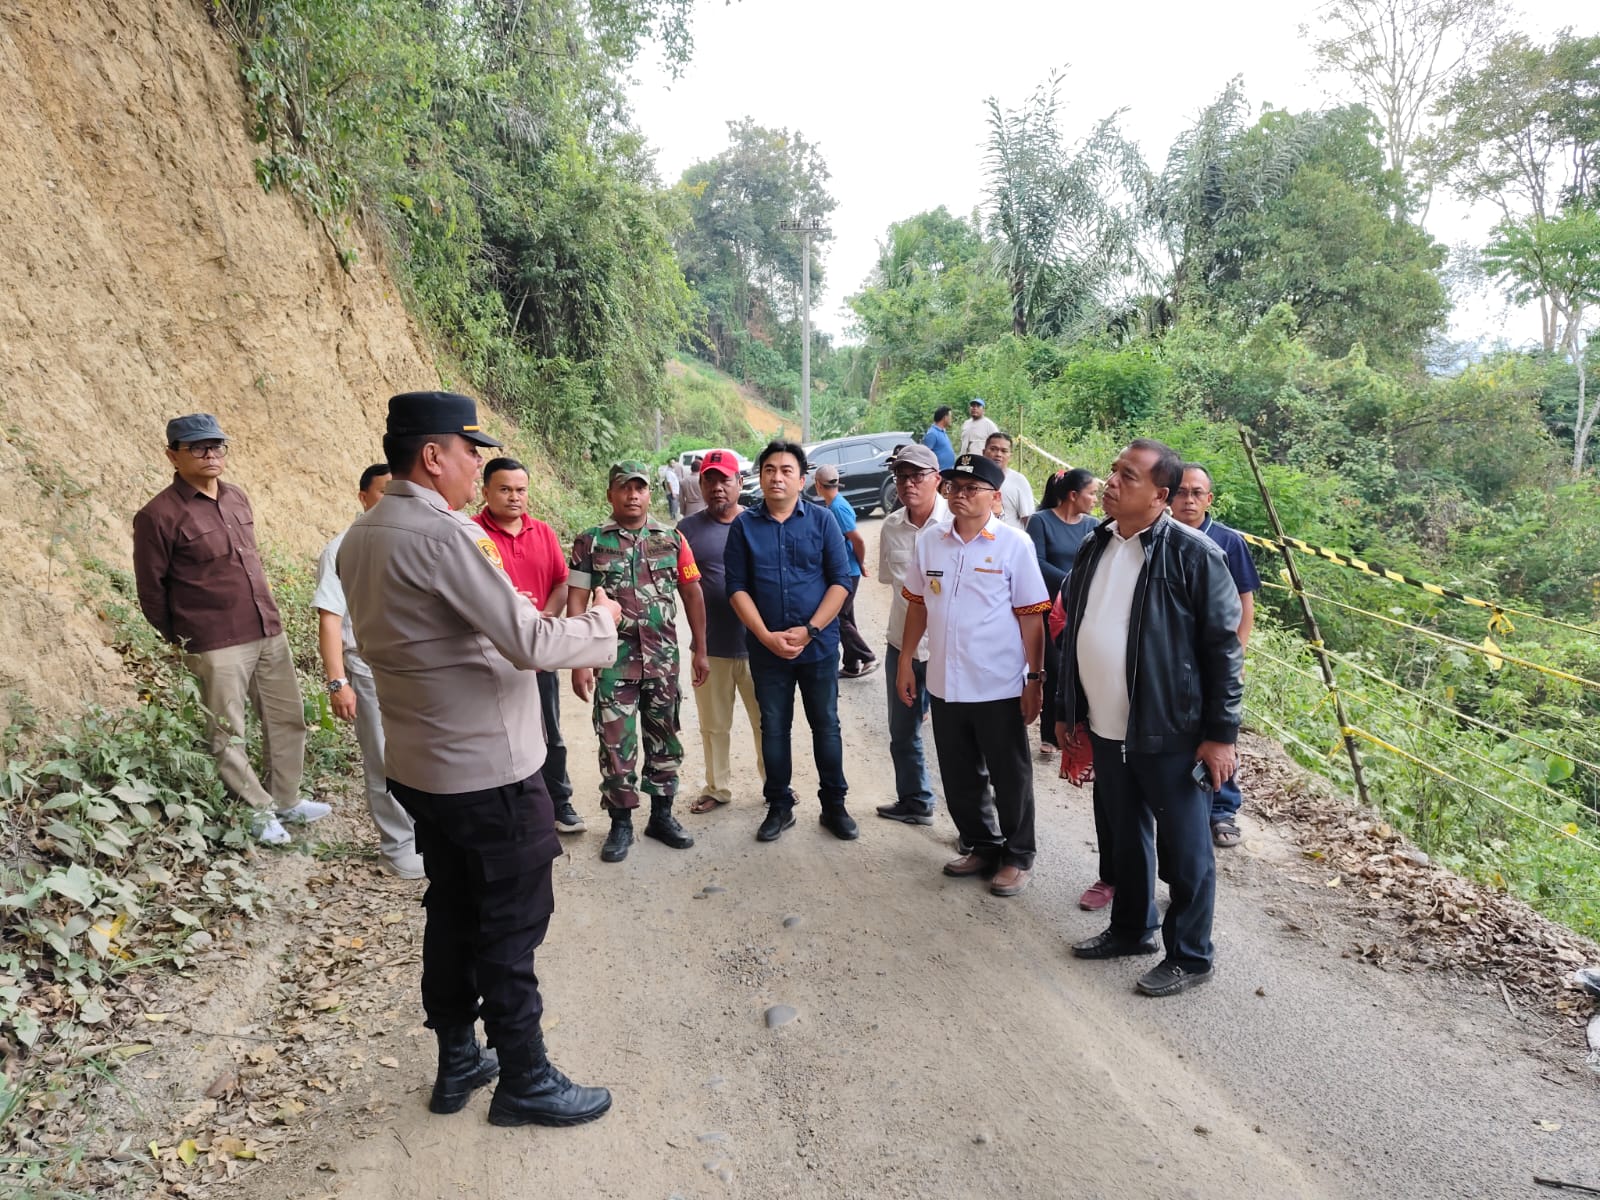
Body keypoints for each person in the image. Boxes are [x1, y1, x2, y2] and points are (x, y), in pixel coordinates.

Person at [339, 390, 621, 1127]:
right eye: (471, 452)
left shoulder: (361, 535)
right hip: (487, 771)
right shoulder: (445, 538)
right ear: (433, 456)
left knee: (455, 909)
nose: (476, 466)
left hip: (422, 768)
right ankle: (525, 1078)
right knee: (511, 920)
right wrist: (602, 623)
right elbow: (528, 640)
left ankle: (459, 1058)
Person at [1054, 438, 1243, 998]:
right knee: (1124, 838)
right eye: (1113, 471)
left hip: (1172, 732)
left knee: (1186, 853)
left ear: (1160, 495)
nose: (1111, 482)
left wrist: (1220, 735)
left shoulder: (1192, 554)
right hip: (1109, 728)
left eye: (1127, 476)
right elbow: (1079, 630)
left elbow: (1223, 651)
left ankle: (1190, 955)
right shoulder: (1097, 543)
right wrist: (1070, 710)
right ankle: (1132, 929)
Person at [133, 413, 322, 846]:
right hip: (214, 640)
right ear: (172, 455)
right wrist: (185, 639)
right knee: (226, 729)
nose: (211, 454)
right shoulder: (158, 515)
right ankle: (255, 811)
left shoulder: (236, 497)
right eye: (198, 447)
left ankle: (286, 800)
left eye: (217, 446)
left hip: (265, 628)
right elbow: (151, 591)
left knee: (287, 717)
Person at [897, 453, 1050, 897]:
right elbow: (919, 603)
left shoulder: (1014, 545)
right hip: (945, 680)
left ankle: (1018, 856)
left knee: (1010, 776)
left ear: (996, 498)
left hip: (998, 684)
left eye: (972, 488)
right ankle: (982, 844)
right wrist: (907, 660)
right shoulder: (931, 542)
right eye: (955, 487)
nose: (960, 495)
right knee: (960, 773)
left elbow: (1031, 618)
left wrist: (1035, 679)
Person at [568, 462, 709, 863]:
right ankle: (621, 823)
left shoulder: (672, 538)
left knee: (665, 738)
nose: (632, 495)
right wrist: (579, 659)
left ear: (650, 494)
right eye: (624, 488)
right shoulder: (590, 542)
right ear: (610, 494)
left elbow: (693, 594)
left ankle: (662, 816)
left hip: (663, 660)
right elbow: (577, 599)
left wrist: (700, 648)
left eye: (640, 488)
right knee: (615, 744)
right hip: (613, 662)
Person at [724, 441, 857, 843]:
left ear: (802, 480)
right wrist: (764, 635)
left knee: (826, 727)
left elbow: (841, 580)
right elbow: (736, 587)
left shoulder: (822, 521)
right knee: (775, 729)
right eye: (769, 469)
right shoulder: (744, 526)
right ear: (759, 477)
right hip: (767, 652)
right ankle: (779, 806)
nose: (776, 476)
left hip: (816, 648)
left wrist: (811, 629)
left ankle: (834, 805)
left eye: (786, 470)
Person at [313, 462, 421, 878]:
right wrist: (338, 681)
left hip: (416, 668)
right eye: (382, 492)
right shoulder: (343, 547)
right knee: (382, 757)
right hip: (370, 667)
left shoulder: (411, 540)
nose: (391, 500)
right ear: (363, 498)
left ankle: (425, 835)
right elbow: (330, 618)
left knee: (421, 751)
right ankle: (397, 847)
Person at [472, 458, 584, 836]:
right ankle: (507, 811)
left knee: (548, 730)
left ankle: (559, 803)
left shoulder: (543, 532)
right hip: (488, 657)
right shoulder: (470, 535)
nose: (514, 497)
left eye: (520, 490)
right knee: (496, 734)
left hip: (539, 653)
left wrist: (541, 618)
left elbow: (561, 581)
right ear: (486, 491)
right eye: (504, 489)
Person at [1169, 463, 1261, 850]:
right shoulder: (1159, 536)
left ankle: (1222, 809)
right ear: (1168, 495)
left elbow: (1245, 602)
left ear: (1209, 499)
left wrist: (1236, 654)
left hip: (1215, 656)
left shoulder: (1227, 540)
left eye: (1197, 493)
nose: (1189, 499)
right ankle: (1180, 801)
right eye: (1182, 492)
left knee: (1220, 728)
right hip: (1172, 658)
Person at [677, 450, 765, 815]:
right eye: (709, 480)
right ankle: (718, 787)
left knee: (769, 723)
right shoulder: (686, 531)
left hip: (761, 646)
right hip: (710, 648)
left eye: (724, 479)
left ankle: (775, 784)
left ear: (739, 483)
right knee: (714, 726)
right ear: (701, 484)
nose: (717, 487)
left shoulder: (760, 523)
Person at [873, 444, 948, 826]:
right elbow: (891, 581)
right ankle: (915, 800)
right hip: (901, 644)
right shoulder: (891, 525)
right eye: (901, 477)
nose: (908, 484)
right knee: (902, 732)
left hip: (948, 652)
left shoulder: (955, 523)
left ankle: (977, 829)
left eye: (917, 476)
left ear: (937, 478)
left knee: (959, 742)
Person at [1026, 468, 1100, 769]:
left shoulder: (1094, 526)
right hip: (1047, 607)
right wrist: (1073, 584)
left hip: (1083, 609)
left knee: (1082, 669)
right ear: (1073, 495)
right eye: (1091, 493)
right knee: (1054, 668)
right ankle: (1050, 732)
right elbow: (1037, 563)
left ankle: (1081, 729)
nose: (1095, 499)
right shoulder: (1041, 521)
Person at [813, 464, 878, 679]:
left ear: (817, 485)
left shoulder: (837, 508)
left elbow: (857, 539)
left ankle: (868, 656)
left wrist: (861, 563)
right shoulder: (834, 505)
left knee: (837, 615)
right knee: (847, 615)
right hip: (845, 568)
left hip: (848, 570)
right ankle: (851, 664)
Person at [983, 432, 1035, 531]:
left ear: (1010, 456)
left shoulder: (1019, 481)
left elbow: (1028, 519)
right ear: (983, 452)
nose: (998, 454)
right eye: (993, 449)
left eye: (1004, 451)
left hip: (1010, 542)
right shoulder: (974, 480)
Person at [922, 406, 956, 470]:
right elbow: (926, 454)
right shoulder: (932, 433)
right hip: (939, 473)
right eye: (950, 416)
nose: (951, 419)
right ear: (945, 417)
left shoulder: (943, 432)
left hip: (948, 471)